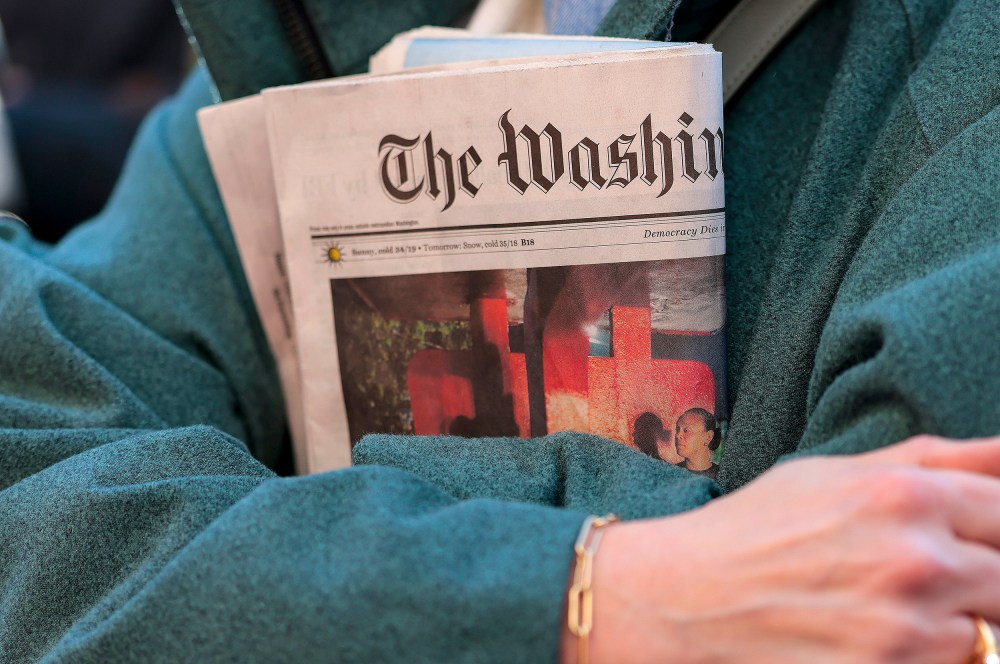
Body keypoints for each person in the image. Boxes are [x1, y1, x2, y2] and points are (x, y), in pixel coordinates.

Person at [0, 0, 997, 662]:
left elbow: (900, 592)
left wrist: (259, 541)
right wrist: (599, 588)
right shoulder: (296, 43)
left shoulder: (957, 69)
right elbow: (39, 504)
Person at [674, 408, 720, 479]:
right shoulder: (669, 474)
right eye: (677, 429)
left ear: (708, 437)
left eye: (686, 430)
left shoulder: (724, 478)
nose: (677, 435)